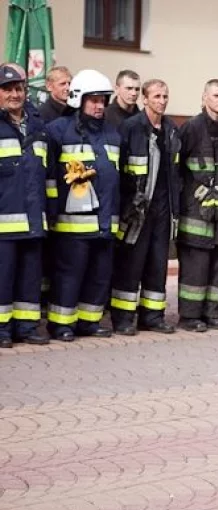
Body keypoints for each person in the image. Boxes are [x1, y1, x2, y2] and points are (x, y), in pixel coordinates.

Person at [45, 69, 122, 341]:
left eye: (103, 100)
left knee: (99, 275)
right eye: (94, 100)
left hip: (105, 222)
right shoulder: (58, 131)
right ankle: (62, 324)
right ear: (79, 98)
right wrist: (52, 214)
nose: (100, 106)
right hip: (72, 225)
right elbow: (51, 176)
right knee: (70, 275)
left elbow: (116, 179)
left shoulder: (113, 134)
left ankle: (89, 322)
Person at [111, 79, 181, 335]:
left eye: (165, 96)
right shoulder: (131, 128)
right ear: (145, 99)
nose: (162, 101)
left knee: (157, 265)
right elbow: (120, 170)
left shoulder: (171, 129)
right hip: (136, 210)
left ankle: (152, 316)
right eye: (157, 96)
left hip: (163, 209)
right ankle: (123, 318)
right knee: (131, 265)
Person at [176, 79, 218, 333]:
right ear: (204, 98)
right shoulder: (191, 128)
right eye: (216, 96)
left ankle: (213, 312)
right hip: (196, 211)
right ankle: (190, 316)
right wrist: (199, 193)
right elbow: (179, 170)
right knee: (196, 266)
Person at [0, 64, 49, 347]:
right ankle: (3, 330)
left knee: (30, 278)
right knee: (3, 279)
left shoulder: (38, 127)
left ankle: (26, 327)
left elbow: (49, 176)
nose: (14, 94)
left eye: (18, 89)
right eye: (7, 89)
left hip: (34, 219)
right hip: (4, 222)